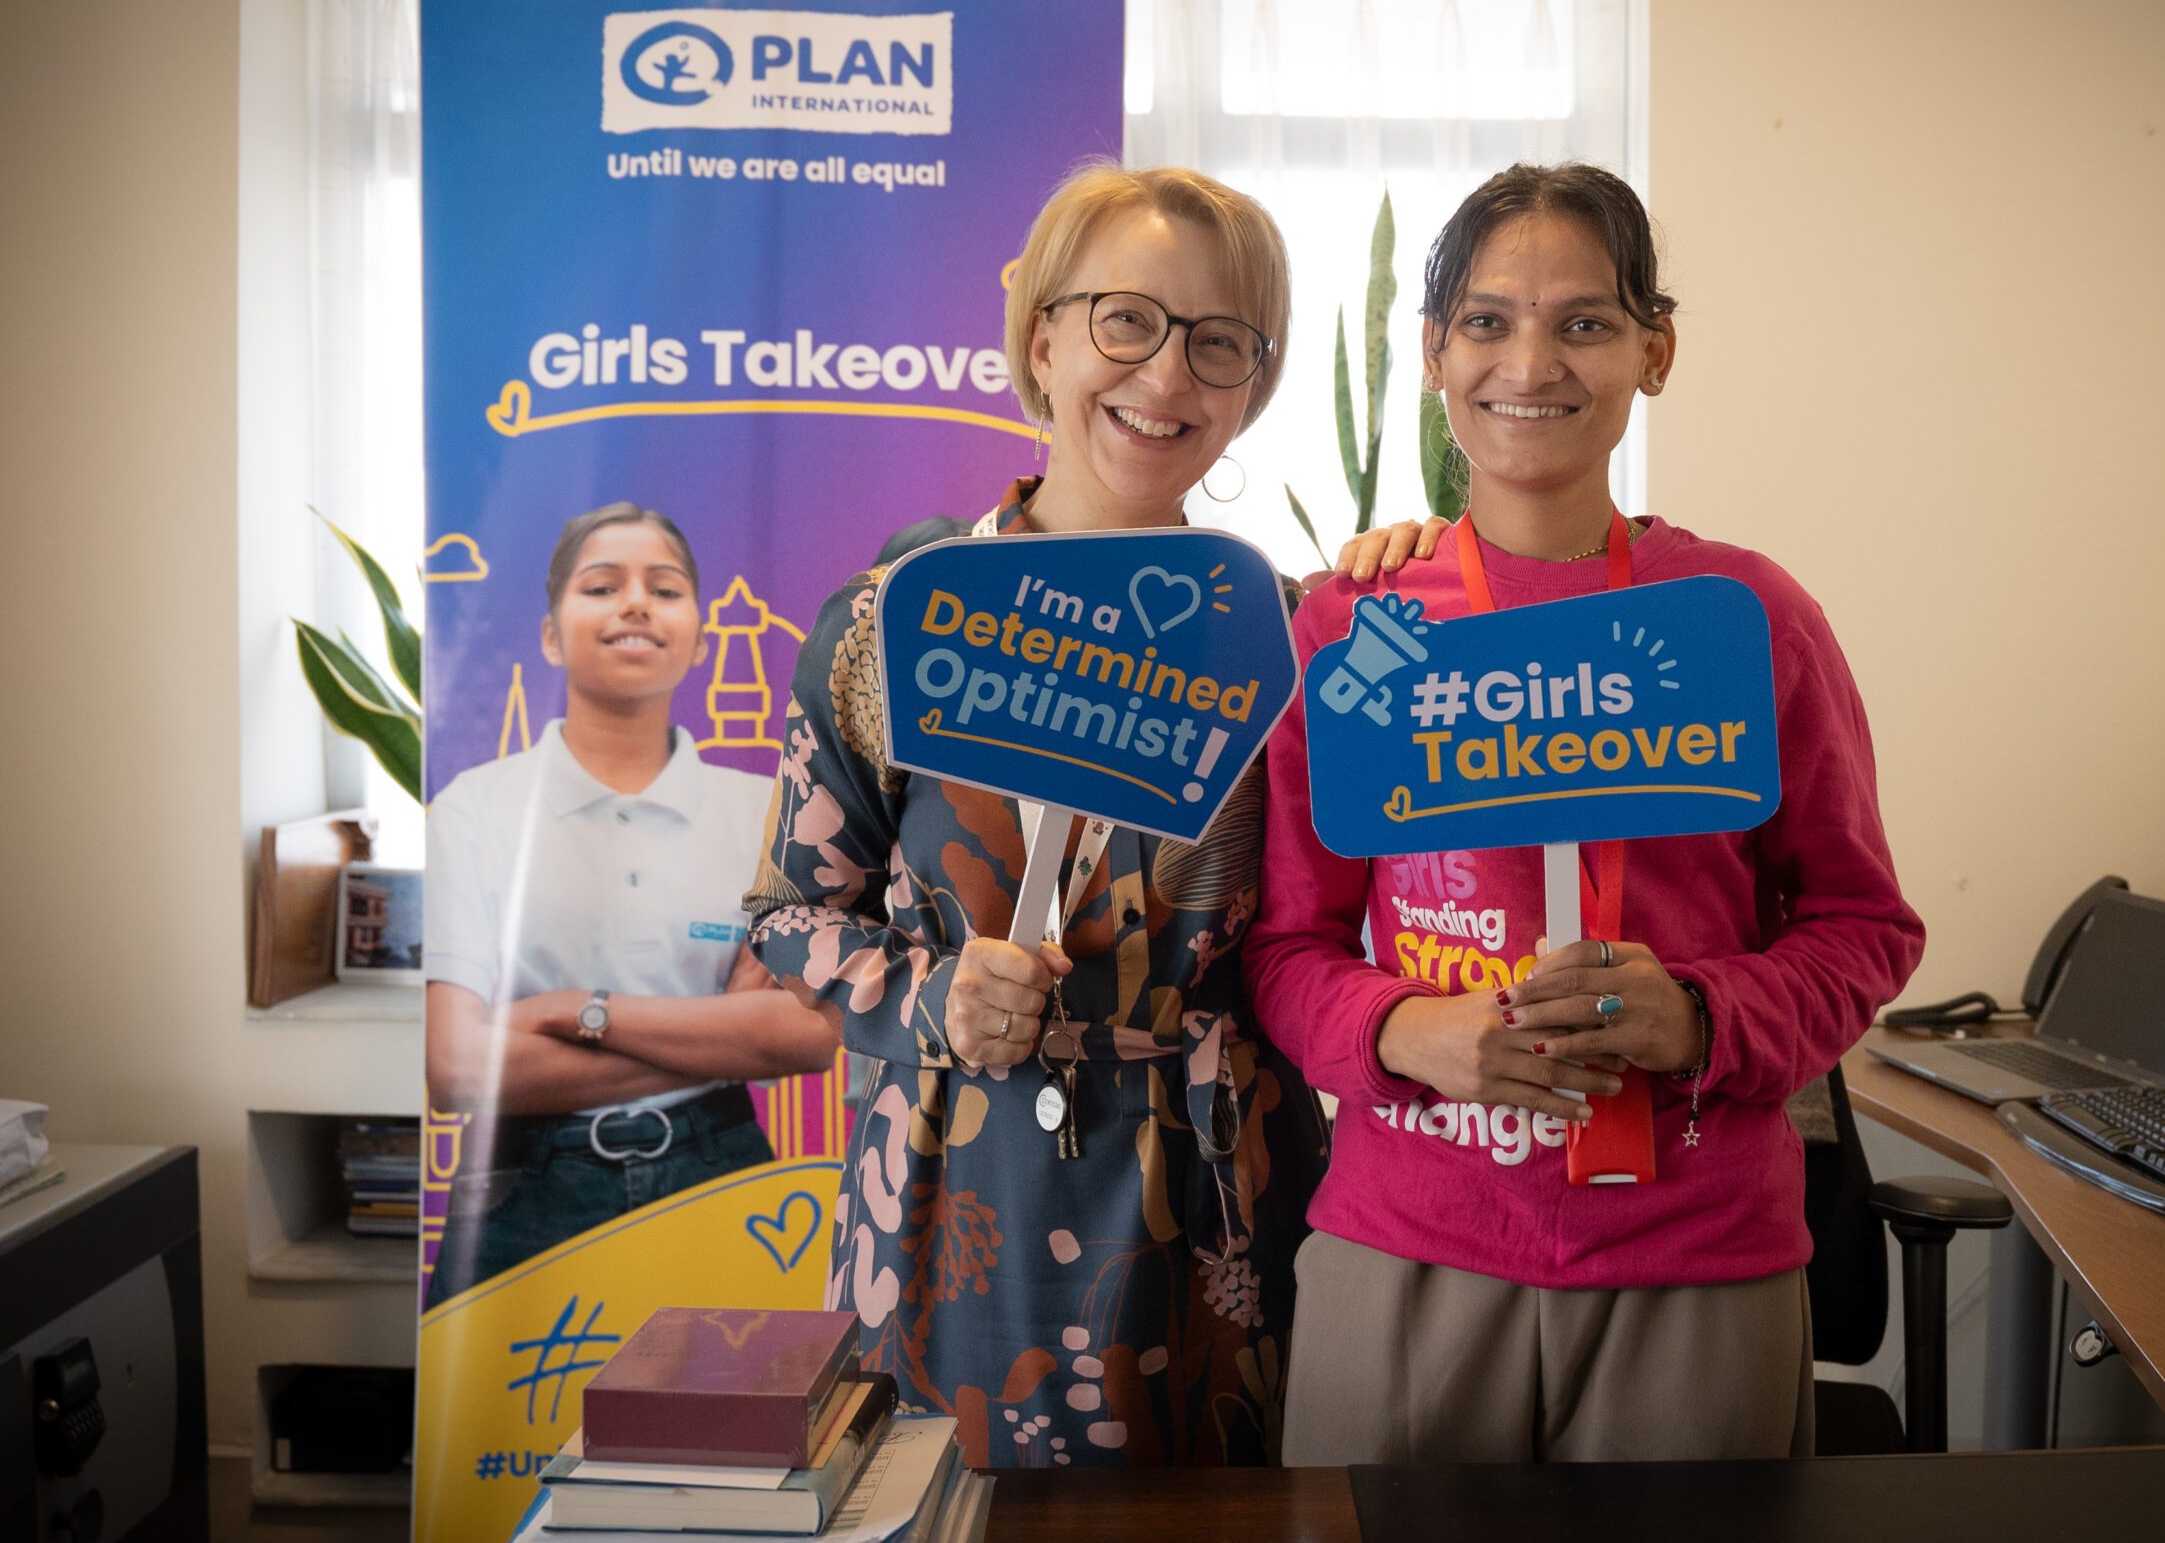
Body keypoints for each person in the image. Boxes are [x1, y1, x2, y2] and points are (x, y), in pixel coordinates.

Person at [744, 163, 1441, 1469]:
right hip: (963, 1193)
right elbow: (786, 914)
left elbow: (1397, 896)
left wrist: (1433, 590)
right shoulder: (895, 622)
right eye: (1127, 320)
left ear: (1252, 381)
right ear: (1044, 335)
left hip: (1225, 1205)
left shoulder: (1296, 639)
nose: (1168, 376)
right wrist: (931, 993)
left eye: (1220, 340)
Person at [1246, 163, 1925, 1463]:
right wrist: (1407, 1030)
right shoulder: (1365, 626)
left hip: (1696, 1258)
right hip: (1411, 1246)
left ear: (1653, 350)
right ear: (1434, 351)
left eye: (1586, 321)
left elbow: (1863, 924)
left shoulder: (1744, 619)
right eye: (1489, 320)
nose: (1532, 360)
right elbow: (1283, 949)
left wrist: (1706, 1013)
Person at [423, 502, 842, 1307]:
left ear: (699, 638)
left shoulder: (770, 814)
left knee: (721, 1430)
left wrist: (575, 1009)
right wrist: (721, 1035)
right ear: (551, 634)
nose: (636, 603)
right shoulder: (474, 808)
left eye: (666, 587)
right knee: (515, 1432)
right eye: (601, 585)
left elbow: (805, 1037)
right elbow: (457, 1066)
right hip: (522, 1185)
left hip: (717, 1171)